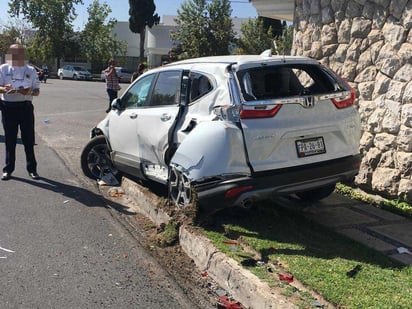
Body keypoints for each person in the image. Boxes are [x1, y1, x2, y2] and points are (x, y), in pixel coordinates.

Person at [0, 43, 41, 180]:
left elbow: (37, 91)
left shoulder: (30, 70)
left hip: (25, 107)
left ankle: (32, 169)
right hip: (8, 107)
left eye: (19, 52)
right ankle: (8, 169)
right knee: (10, 140)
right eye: (13, 52)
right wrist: (4, 89)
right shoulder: (3, 68)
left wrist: (28, 91)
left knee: (28, 139)